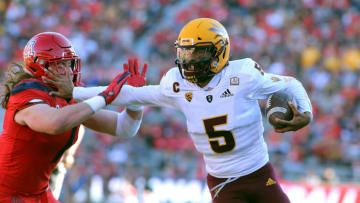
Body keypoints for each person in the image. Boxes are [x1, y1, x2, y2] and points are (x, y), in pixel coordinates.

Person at [54, 18, 312, 203]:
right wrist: (73, 92)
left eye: (197, 53)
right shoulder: (176, 84)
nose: (188, 61)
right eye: (185, 52)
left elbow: (292, 84)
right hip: (223, 183)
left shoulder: (243, 75)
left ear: (218, 52)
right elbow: (127, 93)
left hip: (259, 172)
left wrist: (306, 113)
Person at [0, 32, 146, 203]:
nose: (68, 71)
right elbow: (54, 122)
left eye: (69, 63)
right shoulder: (26, 92)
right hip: (7, 191)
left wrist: (135, 102)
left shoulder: (70, 93)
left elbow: (124, 128)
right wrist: (104, 97)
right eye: (60, 65)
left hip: (38, 192)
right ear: (39, 66)